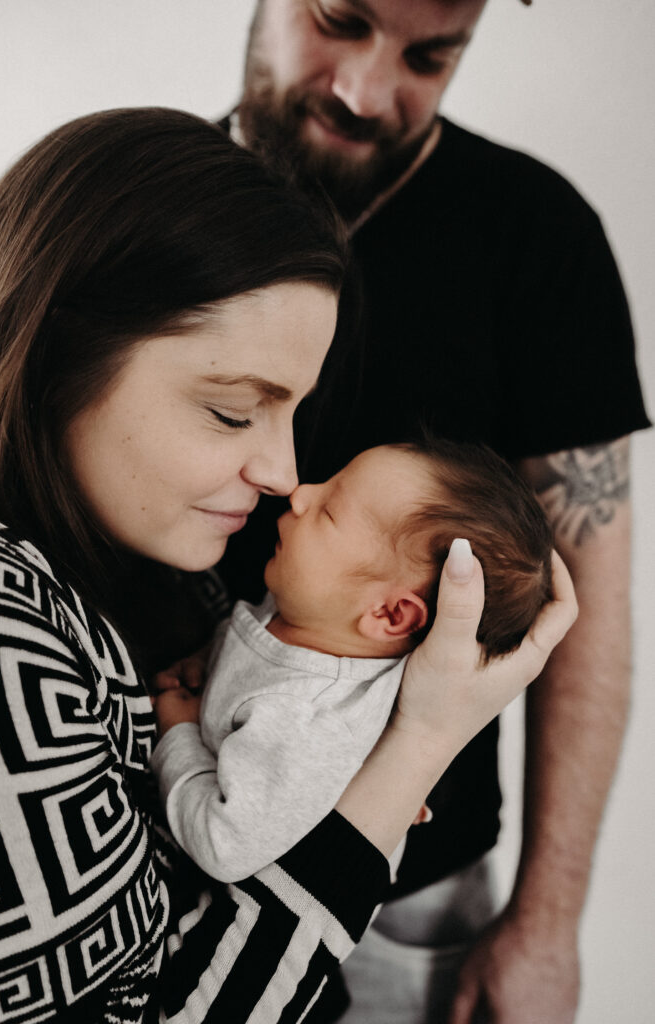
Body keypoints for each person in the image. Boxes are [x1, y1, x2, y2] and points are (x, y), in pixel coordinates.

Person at [0, 106, 577, 1024]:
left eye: (291, 411)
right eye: (230, 411)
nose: (283, 474)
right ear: (58, 355)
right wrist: (411, 754)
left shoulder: (168, 577)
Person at [214, 1, 652, 1021]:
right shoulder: (148, 203)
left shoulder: (534, 237)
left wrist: (545, 920)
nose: (365, 91)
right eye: (339, 19)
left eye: (428, 54)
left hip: (405, 906)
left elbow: (585, 616)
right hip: (156, 850)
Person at [151, 438, 552, 888]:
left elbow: (224, 846)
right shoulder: (312, 615)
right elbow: (256, 649)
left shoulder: (309, 721)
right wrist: (210, 660)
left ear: (388, 614)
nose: (300, 493)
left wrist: (178, 735)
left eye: (328, 512)